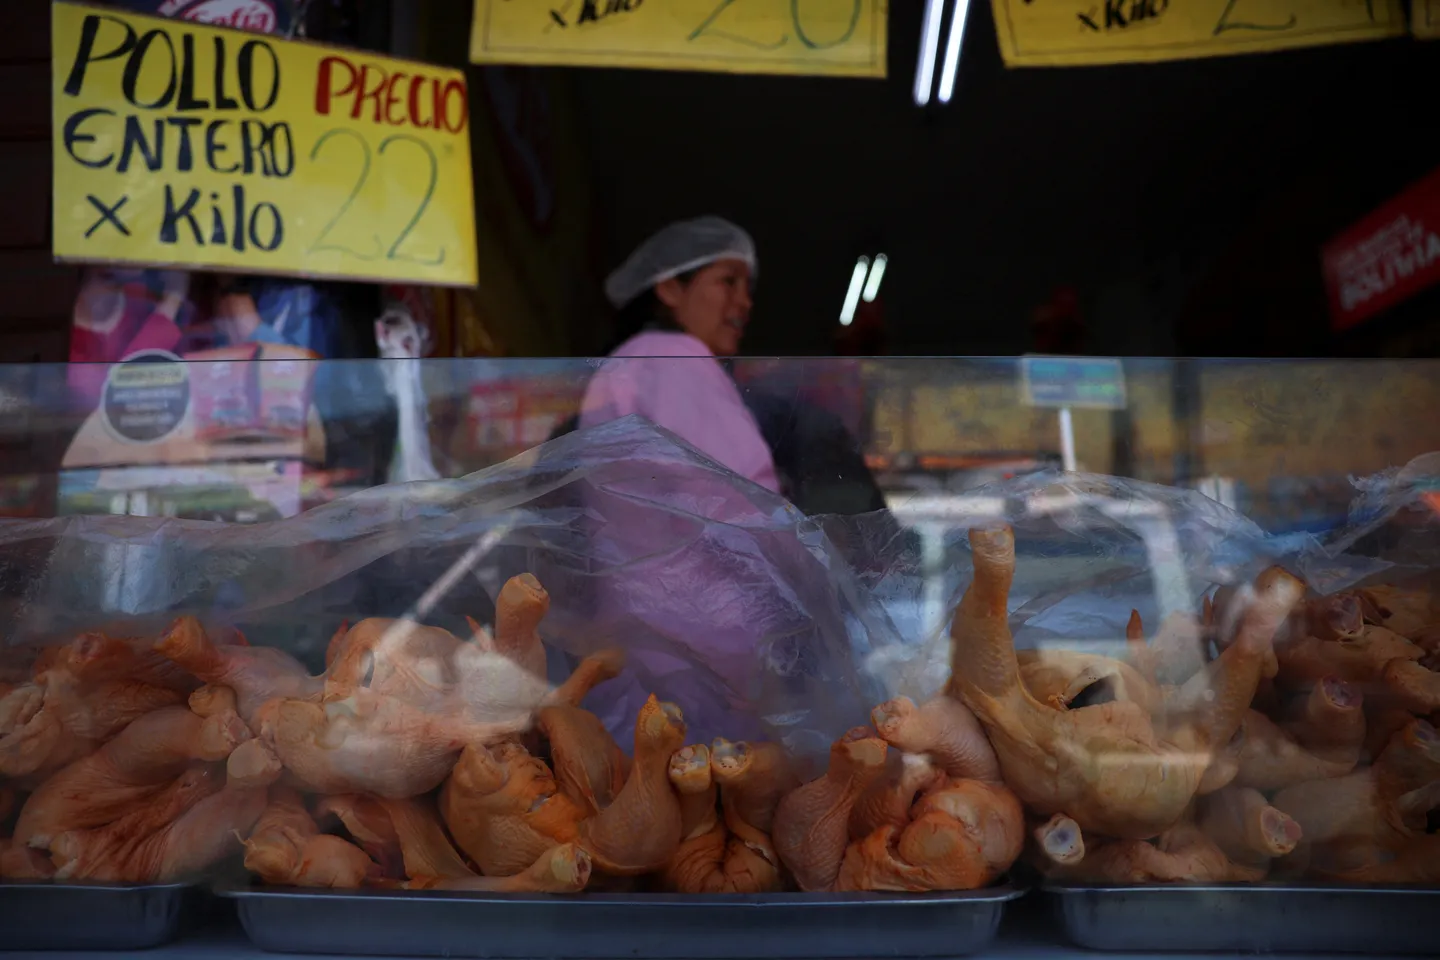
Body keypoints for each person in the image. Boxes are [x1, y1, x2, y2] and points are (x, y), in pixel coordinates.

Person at [577, 216, 779, 492]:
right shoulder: (670, 355)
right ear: (670, 289)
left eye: (748, 288)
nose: (745, 302)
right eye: (729, 281)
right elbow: (728, 490)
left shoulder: (642, 357)